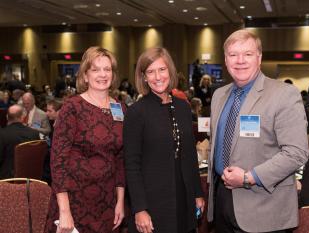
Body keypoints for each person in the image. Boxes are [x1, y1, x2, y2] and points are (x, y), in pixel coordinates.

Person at [207, 29, 309, 233]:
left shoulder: (284, 94)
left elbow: (297, 153)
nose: (240, 60)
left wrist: (248, 177)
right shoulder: (219, 95)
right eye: (233, 55)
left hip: (264, 206)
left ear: (259, 57)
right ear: (226, 60)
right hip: (222, 201)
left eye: (248, 54)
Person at [124, 47, 204, 233]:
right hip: (153, 200)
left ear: (170, 71)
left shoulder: (183, 107)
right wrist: (140, 208)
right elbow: (131, 165)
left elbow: (190, 155)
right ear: (143, 77)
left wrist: (197, 193)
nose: (157, 77)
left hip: (183, 195)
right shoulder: (137, 112)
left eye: (162, 69)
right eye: (150, 72)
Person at [45, 46, 125, 233]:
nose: (102, 74)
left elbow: (121, 159)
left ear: (113, 75)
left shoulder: (120, 109)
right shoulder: (72, 108)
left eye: (107, 69)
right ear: (85, 75)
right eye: (95, 69)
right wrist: (64, 210)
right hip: (74, 201)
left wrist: (120, 201)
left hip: (107, 202)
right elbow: (58, 162)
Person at [0, 104, 40, 179]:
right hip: (29, 178)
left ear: (7, 117)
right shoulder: (34, 134)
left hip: (6, 179)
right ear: (23, 117)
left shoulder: (2, 134)